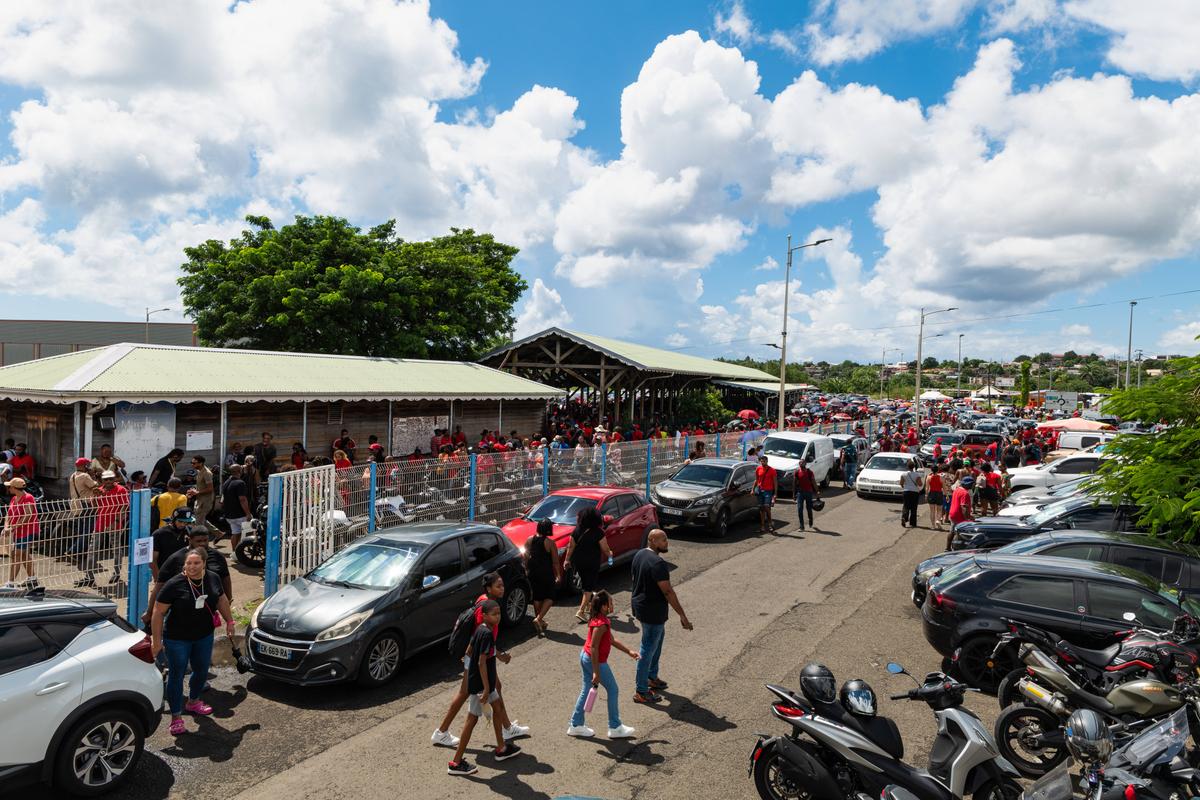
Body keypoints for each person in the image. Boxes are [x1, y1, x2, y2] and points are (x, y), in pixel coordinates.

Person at [432, 573, 527, 748]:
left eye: (503, 585)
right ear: (489, 588)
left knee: (494, 688)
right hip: (478, 659)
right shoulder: (485, 609)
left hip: (481, 657)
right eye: (498, 586)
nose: (502, 588)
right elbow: (480, 638)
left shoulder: (485, 602)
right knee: (467, 694)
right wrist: (498, 654)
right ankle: (442, 733)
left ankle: (506, 728)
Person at [150, 548, 236, 736]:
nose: (192, 567)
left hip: (204, 635)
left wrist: (229, 620)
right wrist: (157, 642)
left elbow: (221, 599)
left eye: (196, 563)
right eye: (188, 563)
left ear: (204, 563)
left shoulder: (212, 578)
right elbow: (158, 613)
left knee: (202, 670)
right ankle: (176, 717)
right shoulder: (174, 584)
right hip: (177, 638)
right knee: (177, 674)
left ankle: (193, 701)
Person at [447, 599, 523, 775]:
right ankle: (456, 763)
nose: (498, 617)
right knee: (471, 720)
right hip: (481, 685)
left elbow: (469, 650)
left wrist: (467, 659)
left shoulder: (481, 629)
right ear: (485, 615)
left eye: (499, 613)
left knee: (498, 709)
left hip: (481, 683)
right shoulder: (487, 634)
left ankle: (502, 748)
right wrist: (487, 689)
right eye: (494, 614)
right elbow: (482, 662)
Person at [631, 529, 692, 704]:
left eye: (666, 539)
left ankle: (651, 677)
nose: (666, 542)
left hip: (642, 607)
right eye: (662, 540)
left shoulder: (639, 555)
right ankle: (641, 691)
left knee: (656, 642)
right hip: (652, 611)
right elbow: (667, 591)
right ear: (652, 540)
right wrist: (682, 616)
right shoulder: (657, 563)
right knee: (648, 648)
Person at [568, 590, 639, 739]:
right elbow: (594, 647)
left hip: (585, 656)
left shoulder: (600, 620)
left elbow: (611, 640)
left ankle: (575, 724)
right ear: (604, 607)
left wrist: (629, 651)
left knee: (586, 689)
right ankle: (615, 727)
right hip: (594, 660)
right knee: (613, 690)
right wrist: (596, 672)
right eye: (611, 603)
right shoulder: (601, 624)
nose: (612, 605)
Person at [154, 527, 233, 605]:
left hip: (210, 607)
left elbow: (225, 578)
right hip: (181, 606)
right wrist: (150, 610)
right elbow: (160, 585)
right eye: (198, 541)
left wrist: (229, 598)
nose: (202, 544)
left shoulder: (217, 556)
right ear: (190, 540)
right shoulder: (175, 559)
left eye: (205, 540)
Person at [77, 471, 129, 587]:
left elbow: (124, 507)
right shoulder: (99, 490)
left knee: (115, 548)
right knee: (92, 549)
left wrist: (116, 521)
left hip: (114, 523)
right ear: (102, 480)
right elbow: (94, 507)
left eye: (111, 479)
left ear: (114, 479)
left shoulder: (121, 490)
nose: (108, 481)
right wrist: (96, 496)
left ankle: (117, 573)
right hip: (101, 522)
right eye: (106, 479)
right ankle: (89, 576)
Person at [563, 506, 611, 624]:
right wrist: (610, 554)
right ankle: (581, 611)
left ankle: (591, 607)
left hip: (579, 562)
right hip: (592, 562)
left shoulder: (576, 530)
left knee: (586, 584)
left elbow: (570, 546)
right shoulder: (599, 532)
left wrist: (567, 560)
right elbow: (605, 549)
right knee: (589, 587)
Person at [524, 518, 563, 635]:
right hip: (545, 573)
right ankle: (538, 619)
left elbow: (525, 555)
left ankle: (540, 621)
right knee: (550, 596)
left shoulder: (529, 539)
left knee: (537, 597)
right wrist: (558, 575)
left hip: (532, 572)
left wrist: (526, 569)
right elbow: (555, 562)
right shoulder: (550, 543)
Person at [4, 478, 38, 588]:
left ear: (14, 488)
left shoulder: (28, 498)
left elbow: (28, 515)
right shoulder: (14, 498)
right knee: (23, 555)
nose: (8, 488)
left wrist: (12, 527)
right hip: (17, 532)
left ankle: (10, 583)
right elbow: (8, 515)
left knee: (17, 555)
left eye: (10, 486)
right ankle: (32, 579)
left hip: (26, 531)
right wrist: (6, 527)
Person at [152, 507, 196, 574]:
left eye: (186, 522)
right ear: (173, 519)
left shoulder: (190, 531)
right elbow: (153, 559)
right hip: (166, 574)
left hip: (185, 573)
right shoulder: (159, 534)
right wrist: (157, 578)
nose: (183, 524)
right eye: (180, 521)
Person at [220, 464, 251, 549]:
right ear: (239, 471)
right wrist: (248, 513)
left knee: (235, 533)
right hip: (240, 514)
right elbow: (242, 499)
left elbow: (222, 499)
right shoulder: (240, 483)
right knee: (245, 532)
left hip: (229, 514)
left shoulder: (226, 482)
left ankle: (235, 552)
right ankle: (241, 552)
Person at [946, 475, 975, 550]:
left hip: (953, 513)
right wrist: (967, 518)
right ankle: (959, 549)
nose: (973, 485)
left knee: (952, 531)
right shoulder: (965, 493)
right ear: (967, 484)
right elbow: (963, 507)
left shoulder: (957, 489)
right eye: (972, 484)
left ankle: (947, 548)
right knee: (963, 533)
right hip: (959, 515)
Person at [186, 455, 214, 528]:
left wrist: (196, 492)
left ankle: (200, 537)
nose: (192, 464)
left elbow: (210, 488)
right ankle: (218, 534)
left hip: (205, 501)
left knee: (198, 523)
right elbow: (201, 485)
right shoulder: (199, 471)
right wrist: (193, 490)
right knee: (200, 519)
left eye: (194, 463)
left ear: (200, 463)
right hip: (199, 499)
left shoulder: (207, 473)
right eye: (191, 463)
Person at [754, 455, 777, 534]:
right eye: (761, 461)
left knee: (767, 507)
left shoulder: (772, 470)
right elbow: (756, 480)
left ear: (767, 461)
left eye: (764, 461)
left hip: (768, 491)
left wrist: (775, 494)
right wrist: (752, 489)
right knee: (761, 509)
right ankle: (762, 526)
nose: (763, 462)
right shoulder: (758, 469)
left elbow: (775, 482)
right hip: (760, 490)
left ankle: (770, 523)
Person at [795, 460, 819, 531]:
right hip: (800, 493)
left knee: (809, 508)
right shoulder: (797, 472)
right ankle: (801, 526)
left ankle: (810, 520)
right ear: (799, 464)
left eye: (803, 462)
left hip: (808, 492)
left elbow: (813, 482)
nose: (801, 463)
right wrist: (793, 494)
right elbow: (794, 483)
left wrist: (817, 491)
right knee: (799, 509)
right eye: (800, 462)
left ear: (805, 464)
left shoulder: (809, 472)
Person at [900, 459, 923, 528]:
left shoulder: (904, 474)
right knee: (913, 507)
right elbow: (920, 484)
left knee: (906, 506)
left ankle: (904, 517)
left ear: (907, 466)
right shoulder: (917, 474)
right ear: (913, 467)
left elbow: (901, 483)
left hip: (906, 491)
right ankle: (912, 522)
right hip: (914, 492)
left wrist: (905, 486)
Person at [926, 465, 945, 531]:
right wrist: (947, 495)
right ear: (937, 470)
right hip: (939, 493)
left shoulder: (929, 477)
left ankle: (933, 526)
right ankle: (938, 520)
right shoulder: (941, 477)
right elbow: (944, 487)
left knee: (932, 511)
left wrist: (926, 495)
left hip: (931, 493)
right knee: (939, 509)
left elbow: (927, 488)